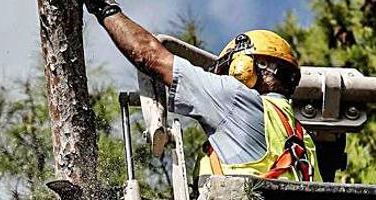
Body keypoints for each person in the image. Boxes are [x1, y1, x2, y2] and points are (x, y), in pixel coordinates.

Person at [82, 0, 322, 181]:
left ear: (246, 66)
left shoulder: (236, 99)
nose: (227, 78)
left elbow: (150, 56)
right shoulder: (305, 141)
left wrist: (103, 7)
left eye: (229, 69)